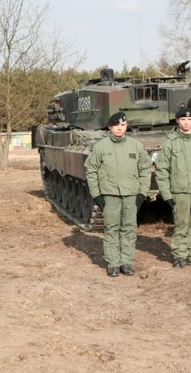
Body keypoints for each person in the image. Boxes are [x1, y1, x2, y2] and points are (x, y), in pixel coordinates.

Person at [84, 112, 152, 277]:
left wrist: (142, 192)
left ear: (126, 126)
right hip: (110, 194)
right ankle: (113, 263)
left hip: (130, 194)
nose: (120, 128)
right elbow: (90, 170)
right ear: (110, 127)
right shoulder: (101, 147)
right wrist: (96, 194)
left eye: (122, 125)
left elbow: (145, 169)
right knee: (111, 228)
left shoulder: (135, 146)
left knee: (129, 229)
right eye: (116, 126)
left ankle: (126, 262)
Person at [155, 107, 191, 270]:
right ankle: (180, 255)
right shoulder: (171, 142)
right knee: (181, 224)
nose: (186, 122)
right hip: (179, 191)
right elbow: (162, 170)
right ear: (177, 121)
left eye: (189, 119)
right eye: (183, 119)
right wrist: (166, 194)